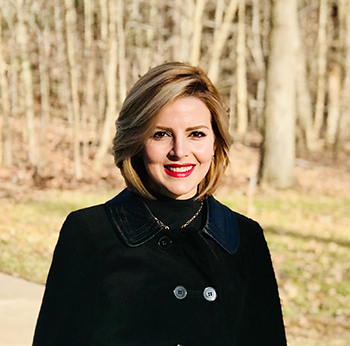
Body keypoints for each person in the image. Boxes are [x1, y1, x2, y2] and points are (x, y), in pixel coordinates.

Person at [32, 62, 287, 346]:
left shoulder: (244, 237)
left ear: (215, 142)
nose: (180, 152)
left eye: (196, 134)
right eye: (161, 134)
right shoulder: (90, 233)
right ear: (137, 141)